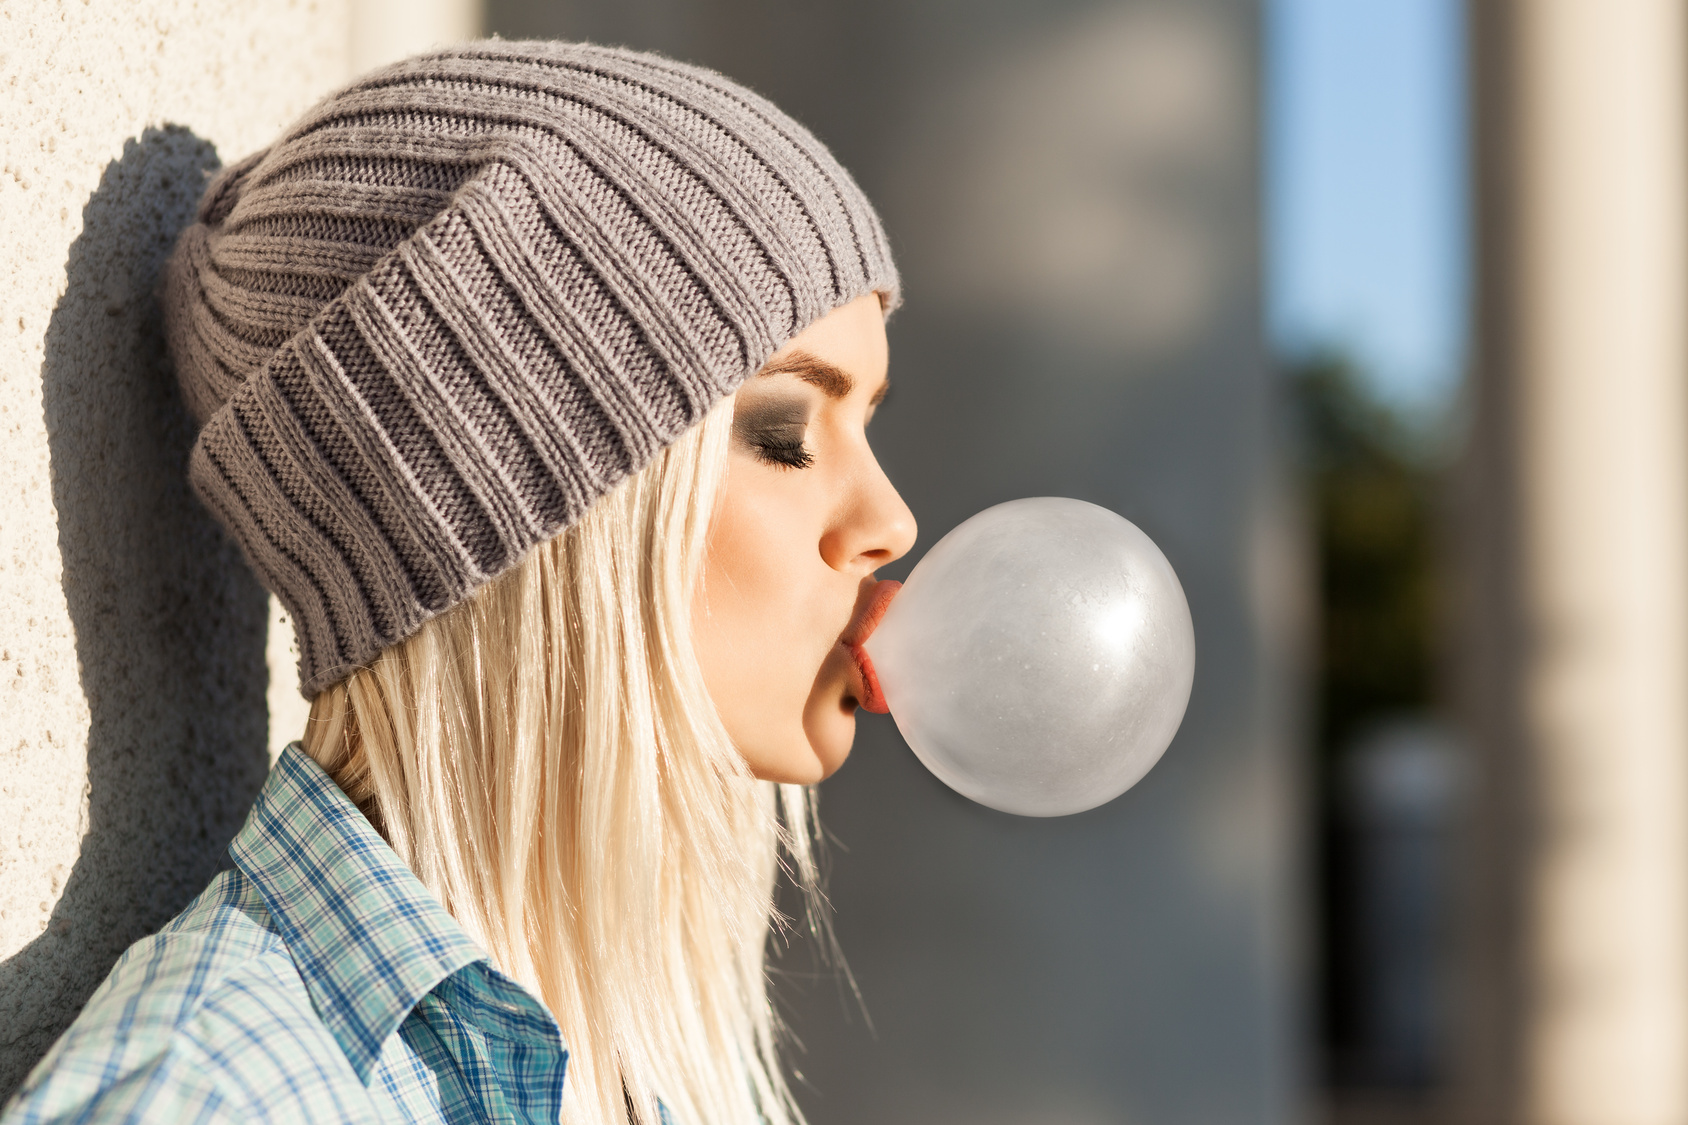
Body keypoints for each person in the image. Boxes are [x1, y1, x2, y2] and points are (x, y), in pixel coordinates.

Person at [2, 39, 914, 1125]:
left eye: (867, 422)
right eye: (781, 431)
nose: (891, 521)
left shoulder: (599, 1059)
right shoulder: (216, 1098)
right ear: (523, 516)